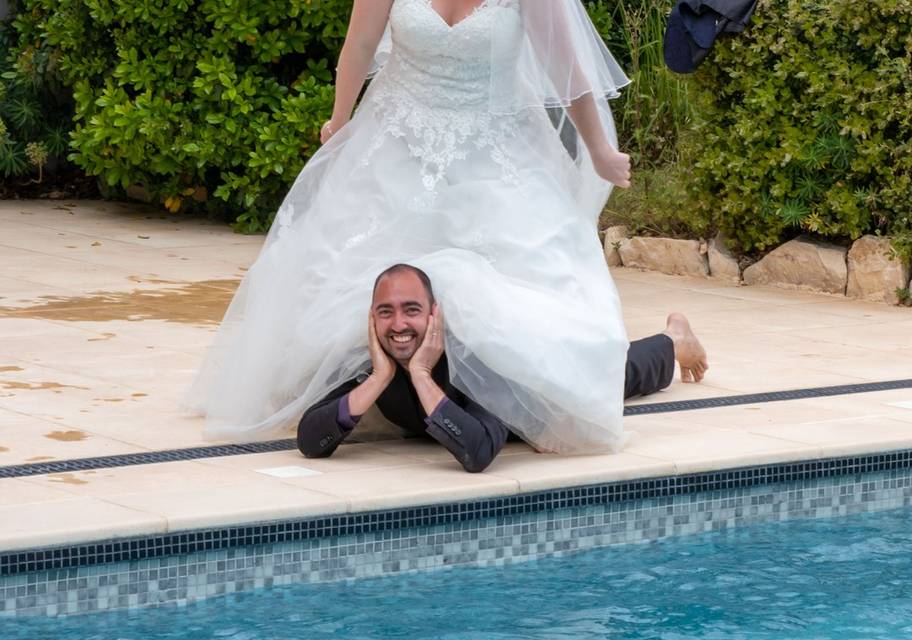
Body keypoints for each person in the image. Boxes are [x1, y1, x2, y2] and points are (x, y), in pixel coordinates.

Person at [182, 0, 709, 453]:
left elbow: (567, 68)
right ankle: (381, 395)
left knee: (549, 367)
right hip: (395, 151)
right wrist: (340, 122)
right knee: (346, 296)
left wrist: (598, 150)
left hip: (497, 163)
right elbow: (359, 45)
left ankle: (667, 343)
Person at [297, 264, 708, 472]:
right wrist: (380, 378)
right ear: (371, 318)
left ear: (435, 314)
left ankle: (673, 341)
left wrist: (422, 374)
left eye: (412, 311)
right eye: (385, 313)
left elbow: (477, 453)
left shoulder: (473, 359)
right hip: (479, 411)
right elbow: (311, 440)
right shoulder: (374, 360)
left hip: (531, 393)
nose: (399, 325)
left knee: (613, 375)